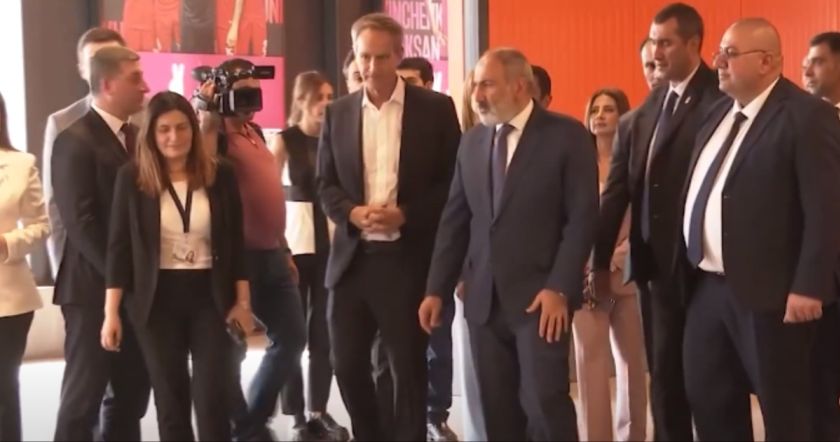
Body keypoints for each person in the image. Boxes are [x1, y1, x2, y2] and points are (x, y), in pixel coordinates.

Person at [420, 47, 598, 441]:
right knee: (497, 411)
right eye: (474, 86)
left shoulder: (566, 136)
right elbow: (455, 222)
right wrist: (435, 289)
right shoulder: (472, 143)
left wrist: (559, 288)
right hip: (483, 302)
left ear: (519, 86)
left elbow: (582, 219)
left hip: (541, 301)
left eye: (487, 85)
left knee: (544, 405)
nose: (477, 96)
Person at [680, 18, 840, 441]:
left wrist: (810, 285)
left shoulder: (808, 116)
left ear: (767, 61)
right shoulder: (716, 113)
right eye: (719, 53)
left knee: (787, 411)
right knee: (710, 401)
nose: (718, 62)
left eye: (730, 54)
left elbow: (827, 209)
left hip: (775, 294)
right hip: (707, 289)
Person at [317, 12, 461, 441]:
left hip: (405, 260)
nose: (371, 67)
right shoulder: (338, 113)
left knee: (407, 371)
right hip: (352, 261)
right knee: (346, 364)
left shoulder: (435, 109)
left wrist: (407, 213)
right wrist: (351, 212)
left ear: (399, 55)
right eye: (364, 57)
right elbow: (325, 184)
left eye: (381, 57)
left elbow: (452, 184)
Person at [592, 4, 721, 440]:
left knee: (711, 381)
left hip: (707, 272)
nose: (656, 52)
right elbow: (615, 196)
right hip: (656, 273)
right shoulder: (641, 115)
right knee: (665, 379)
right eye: (652, 43)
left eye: (666, 43)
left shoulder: (721, 102)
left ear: (693, 44)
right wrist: (597, 263)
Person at [100, 91, 252, 441]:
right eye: (164, 129)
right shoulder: (132, 178)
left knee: (212, 399)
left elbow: (235, 245)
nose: (174, 137)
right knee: (171, 402)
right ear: (151, 134)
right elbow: (118, 250)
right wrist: (110, 313)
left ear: (194, 129)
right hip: (156, 302)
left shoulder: (221, 174)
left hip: (210, 297)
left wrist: (243, 303)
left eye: (182, 127)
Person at [196, 58, 307, 441]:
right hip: (238, 259)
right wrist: (206, 112)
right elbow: (204, 171)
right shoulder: (216, 135)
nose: (250, 100)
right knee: (232, 350)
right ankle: (242, 427)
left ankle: (251, 422)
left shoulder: (255, 131)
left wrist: (285, 248)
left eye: (254, 92)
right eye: (242, 93)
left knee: (292, 337)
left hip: (273, 253)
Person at [51, 46, 151, 442]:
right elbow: (81, 225)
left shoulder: (138, 138)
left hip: (134, 292)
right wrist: (119, 280)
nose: (145, 87)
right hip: (92, 292)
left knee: (131, 395)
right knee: (83, 399)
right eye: (135, 78)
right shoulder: (74, 140)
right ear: (108, 84)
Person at [273, 71, 349, 441]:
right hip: (295, 242)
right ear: (302, 100)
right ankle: (295, 414)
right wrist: (277, 245)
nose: (326, 103)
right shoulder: (285, 140)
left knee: (324, 333)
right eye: (319, 96)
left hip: (332, 244)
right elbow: (270, 193)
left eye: (331, 96)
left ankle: (318, 409)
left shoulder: (337, 138)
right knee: (292, 333)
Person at [574, 88, 647, 442]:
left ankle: (633, 435)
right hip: (585, 277)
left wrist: (619, 256)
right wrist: (590, 261)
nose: (600, 116)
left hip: (627, 273)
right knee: (591, 364)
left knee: (632, 363)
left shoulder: (636, 163)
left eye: (609, 109)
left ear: (623, 116)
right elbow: (569, 220)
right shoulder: (577, 166)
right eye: (595, 109)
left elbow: (646, 218)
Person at [43, 27, 126, 281]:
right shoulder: (63, 122)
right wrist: (60, 272)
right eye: (95, 62)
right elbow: (56, 207)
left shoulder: (149, 117)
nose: (104, 70)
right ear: (81, 69)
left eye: (112, 60)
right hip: (87, 270)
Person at [0, 92, 50, 442]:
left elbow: (41, 226)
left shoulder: (20, 164)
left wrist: (7, 243)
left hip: (9, 300)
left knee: (4, 393)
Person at [802, 31, 840, 441]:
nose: (806, 70)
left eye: (817, 61)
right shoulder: (804, 122)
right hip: (822, 282)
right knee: (820, 382)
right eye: (804, 62)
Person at [450, 69, 486, 442]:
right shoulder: (462, 147)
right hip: (471, 274)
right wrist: (458, 273)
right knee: (474, 370)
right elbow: (455, 219)